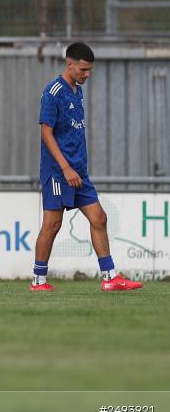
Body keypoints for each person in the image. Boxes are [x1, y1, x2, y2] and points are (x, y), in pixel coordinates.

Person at [31, 42, 142, 292]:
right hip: (59, 172)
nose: (87, 74)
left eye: (89, 69)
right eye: (83, 69)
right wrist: (66, 168)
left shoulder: (76, 90)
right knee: (52, 225)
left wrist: (76, 168)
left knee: (99, 218)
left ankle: (110, 278)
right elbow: (46, 133)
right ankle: (38, 280)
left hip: (78, 171)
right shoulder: (53, 92)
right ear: (69, 64)